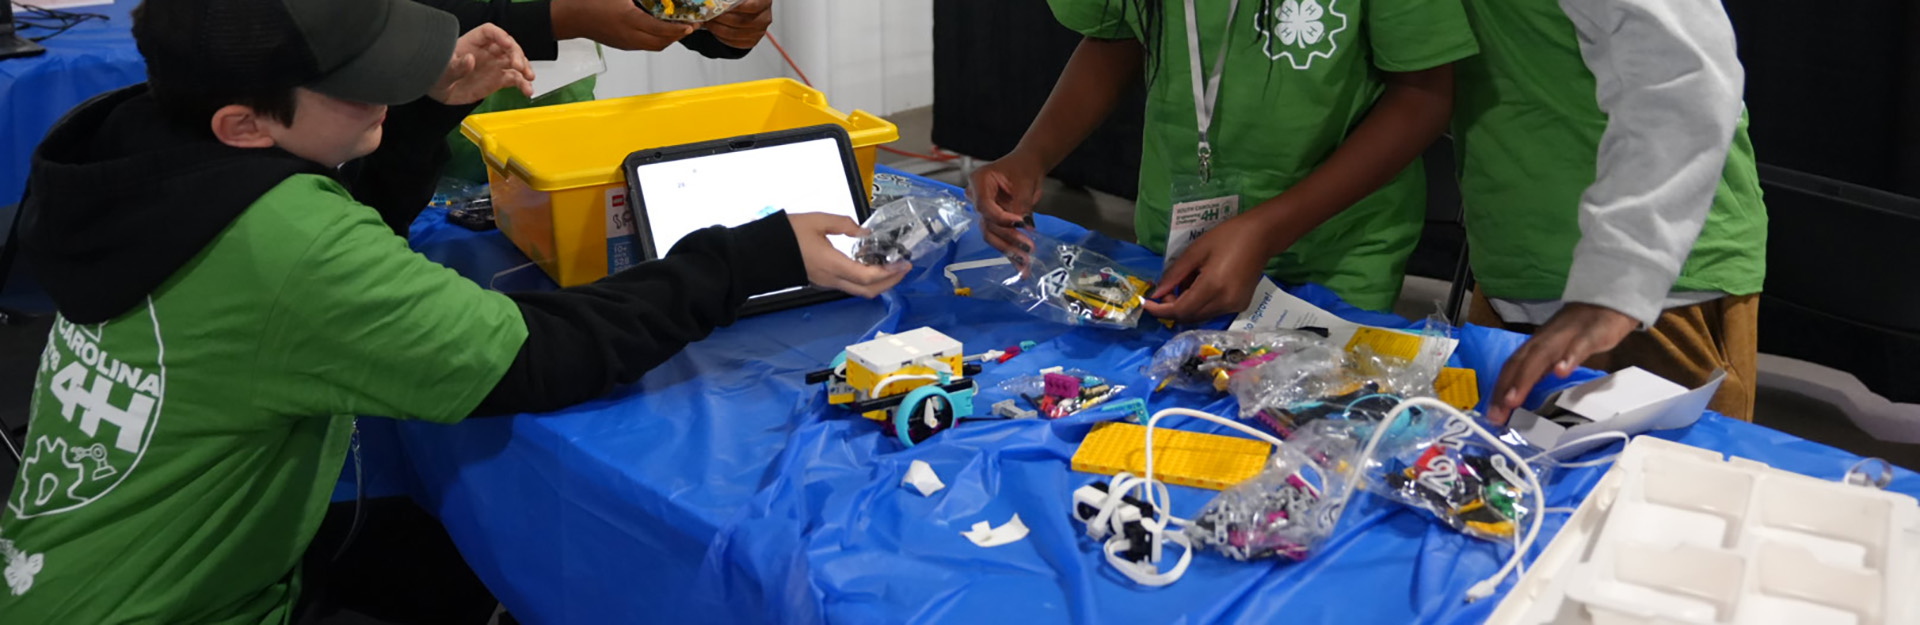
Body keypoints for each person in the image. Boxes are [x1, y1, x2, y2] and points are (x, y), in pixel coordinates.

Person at [0, 0, 902, 623]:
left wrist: (422, 113)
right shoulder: (283, 241)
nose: (393, 84)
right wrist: (749, 254)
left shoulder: (144, 143)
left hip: (70, 580)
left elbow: (335, 249)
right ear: (246, 125)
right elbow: (535, 357)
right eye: (361, 82)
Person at [970, 0, 1477, 320]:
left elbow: (1423, 95)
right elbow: (1116, 36)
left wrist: (1266, 230)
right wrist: (1031, 155)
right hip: (1178, 240)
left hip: (1337, 251)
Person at [1451, 0, 1767, 423]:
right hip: (1517, 263)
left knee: (1655, 483)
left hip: (1649, 290)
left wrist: (1618, 282)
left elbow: (1685, 73)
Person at [422, 0, 775, 217]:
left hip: (563, 150)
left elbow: (663, 8)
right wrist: (562, 18)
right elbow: (395, 21)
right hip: (418, 162)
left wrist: (726, 22)